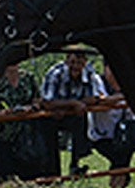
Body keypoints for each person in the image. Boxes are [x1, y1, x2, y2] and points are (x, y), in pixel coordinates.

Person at [40, 47, 107, 175]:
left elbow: (93, 97)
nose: (75, 67)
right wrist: (74, 103)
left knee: (82, 121)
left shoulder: (89, 73)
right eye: (72, 62)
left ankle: (76, 163)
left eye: (80, 63)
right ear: (66, 61)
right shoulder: (55, 73)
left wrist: (66, 106)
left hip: (72, 114)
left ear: (85, 63)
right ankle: (52, 174)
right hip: (51, 117)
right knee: (49, 142)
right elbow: (47, 101)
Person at [0, 61, 44, 184]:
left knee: (29, 166)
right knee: (2, 169)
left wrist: (30, 109)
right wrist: (3, 114)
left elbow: (38, 100)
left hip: (25, 132)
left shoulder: (28, 78)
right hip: (1, 132)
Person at [88, 63, 135, 188]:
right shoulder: (97, 80)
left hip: (123, 135)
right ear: (105, 68)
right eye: (112, 70)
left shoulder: (125, 82)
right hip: (102, 135)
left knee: (122, 160)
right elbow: (102, 99)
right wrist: (125, 96)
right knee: (120, 160)